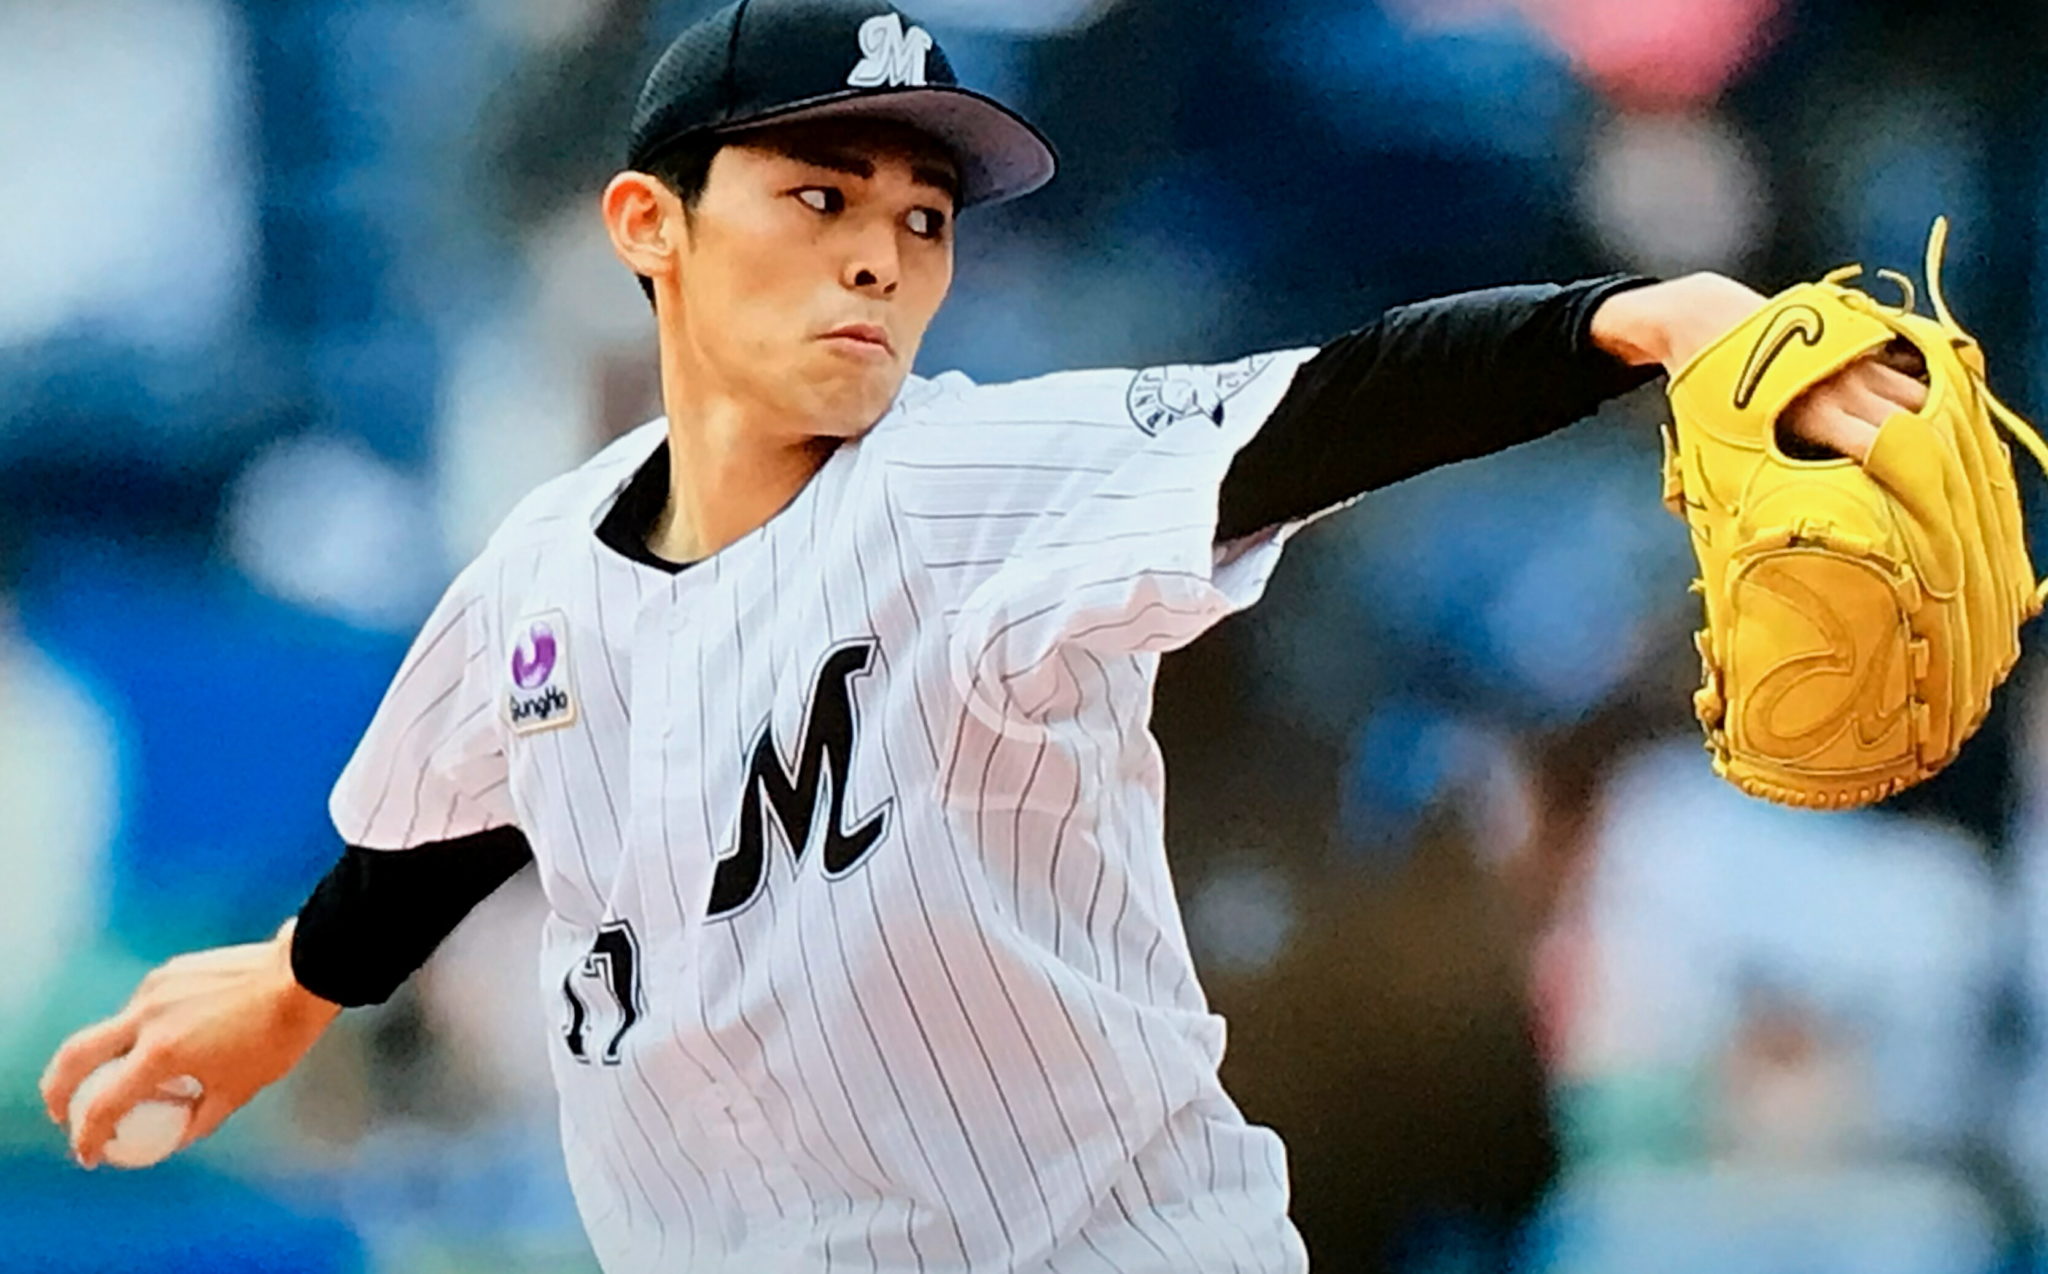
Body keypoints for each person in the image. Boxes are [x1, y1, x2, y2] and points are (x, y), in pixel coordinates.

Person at [40, 1, 1927, 1269]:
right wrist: (297, 981)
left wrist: (1629, 324)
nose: (883, 251)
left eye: (921, 213)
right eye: (819, 197)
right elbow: (456, 807)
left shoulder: (984, 474)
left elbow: (1330, 406)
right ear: (649, 229)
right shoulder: (548, 562)